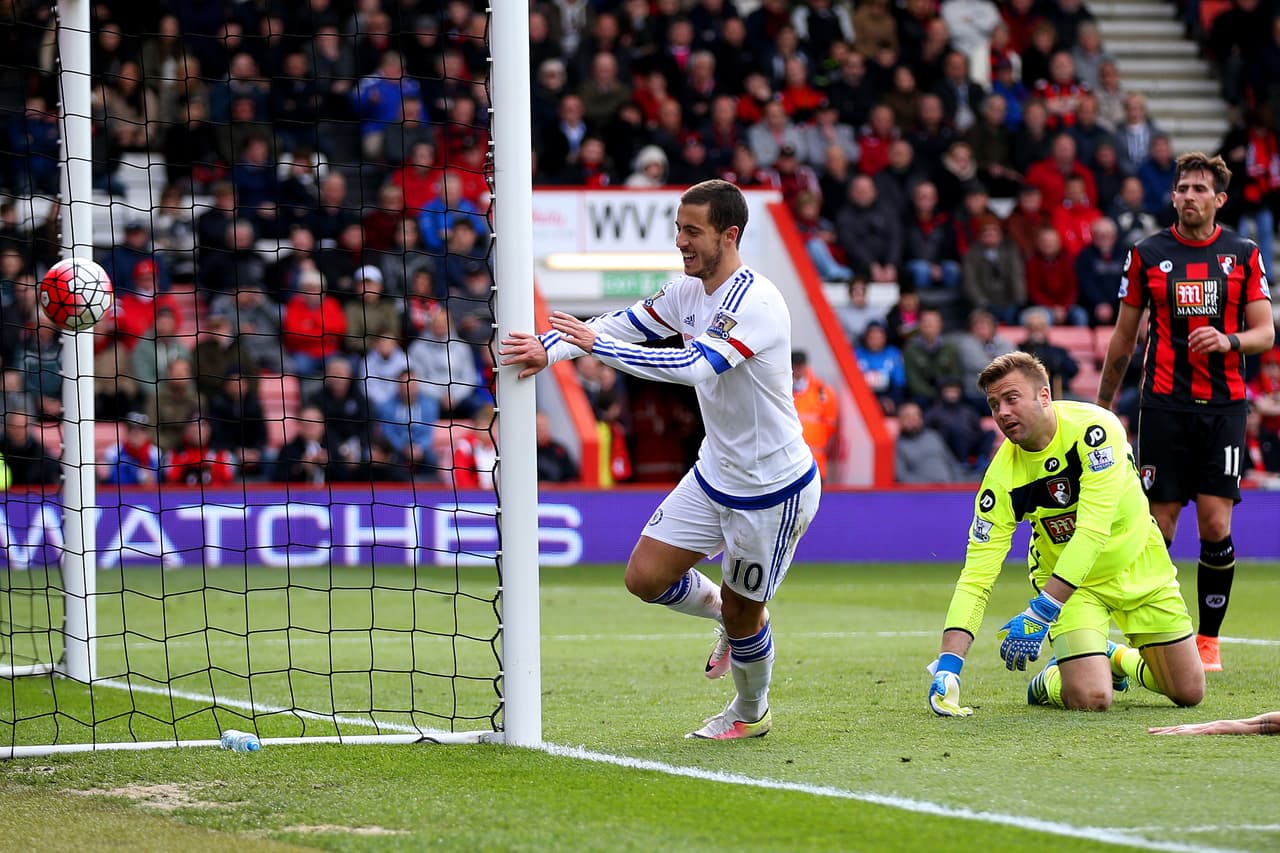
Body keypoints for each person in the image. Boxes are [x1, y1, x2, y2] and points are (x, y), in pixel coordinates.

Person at [500, 179, 821, 740]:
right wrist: (547, 350)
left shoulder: (758, 302)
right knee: (644, 578)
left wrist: (599, 350)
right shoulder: (686, 292)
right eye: (677, 229)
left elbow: (694, 366)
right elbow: (614, 325)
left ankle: (751, 712)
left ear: (730, 235)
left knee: (749, 616)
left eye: (692, 231)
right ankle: (723, 611)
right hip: (715, 472)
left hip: (773, 489)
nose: (681, 241)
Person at [927, 352, 1206, 717]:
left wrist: (1041, 611)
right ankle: (1048, 681)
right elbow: (976, 577)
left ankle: (1117, 657)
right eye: (994, 405)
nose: (1002, 413)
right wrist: (949, 666)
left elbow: (1093, 529)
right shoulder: (1001, 482)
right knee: (1092, 698)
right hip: (1070, 586)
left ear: (1045, 395)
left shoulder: (1096, 431)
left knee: (1188, 692)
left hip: (1138, 560)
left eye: (1011, 398)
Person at [1097, 152, 1276, 673]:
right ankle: (1150, 636)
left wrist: (1228, 340)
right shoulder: (1148, 254)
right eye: (1183, 189)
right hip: (1164, 405)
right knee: (1159, 526)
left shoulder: (1243, 254)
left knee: (1216, 522)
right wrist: (1103, 411)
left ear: (1219, 199)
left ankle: (1208, 641)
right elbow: (1124, 340)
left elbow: (1266, 332)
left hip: (1223, 407)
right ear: (1172, 195)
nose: (1190, 197)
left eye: (1201, 189)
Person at [791, 350, 839, 481]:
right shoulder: (781, 390)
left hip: (815, 461)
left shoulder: (822, 392)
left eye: (800, 365)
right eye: (795, 365)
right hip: (789, 463)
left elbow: (831, 426)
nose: (798, 369)